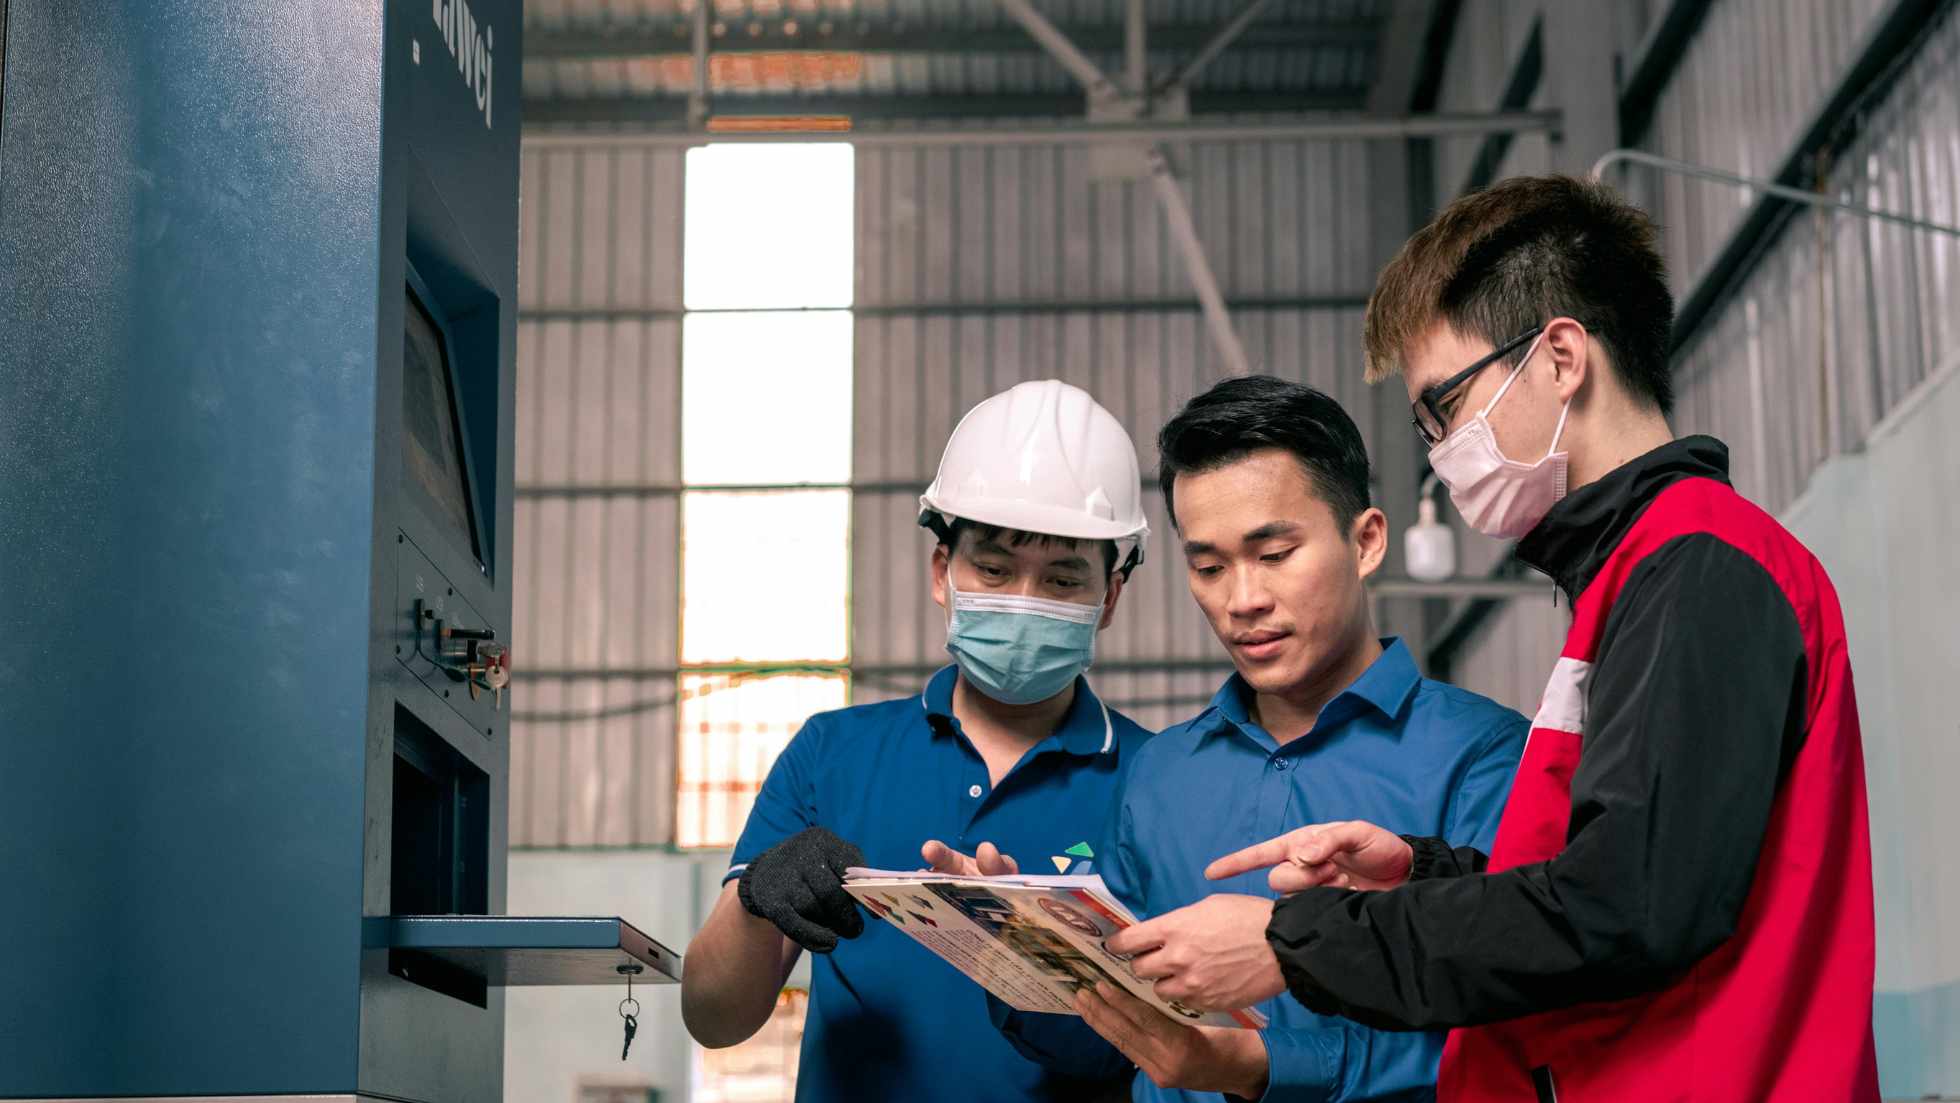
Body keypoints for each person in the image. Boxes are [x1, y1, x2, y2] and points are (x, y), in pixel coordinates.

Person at [1109, 176, 1879, 1102]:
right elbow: (1630, 869)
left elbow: (1628, 909)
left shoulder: (1697, 567)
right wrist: (1421, 872)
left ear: (1560, 357)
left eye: (1446, 404)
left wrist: (1291, 942)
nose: (1441, 448)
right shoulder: (1638, 574)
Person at [988, 377, 1528, 1102]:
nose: (1242, 599)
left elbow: (1513, 1032)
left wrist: (1264, 1065)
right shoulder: (1161, 771)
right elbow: (1116, 1041)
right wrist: (1021, 954)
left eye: (1274, 554)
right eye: (1208, 567)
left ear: (1365, 541)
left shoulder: (1483, 758)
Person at [680, 379, 1153, 1102]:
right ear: (943, 572)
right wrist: (756, 899)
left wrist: (1037, 961)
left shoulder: (1161, 778)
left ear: (1109, 596)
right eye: (993, 568)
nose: (1023, 599)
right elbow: (712, 1016)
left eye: (1062, 578)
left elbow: (1177, 1046)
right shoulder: (830, 756)